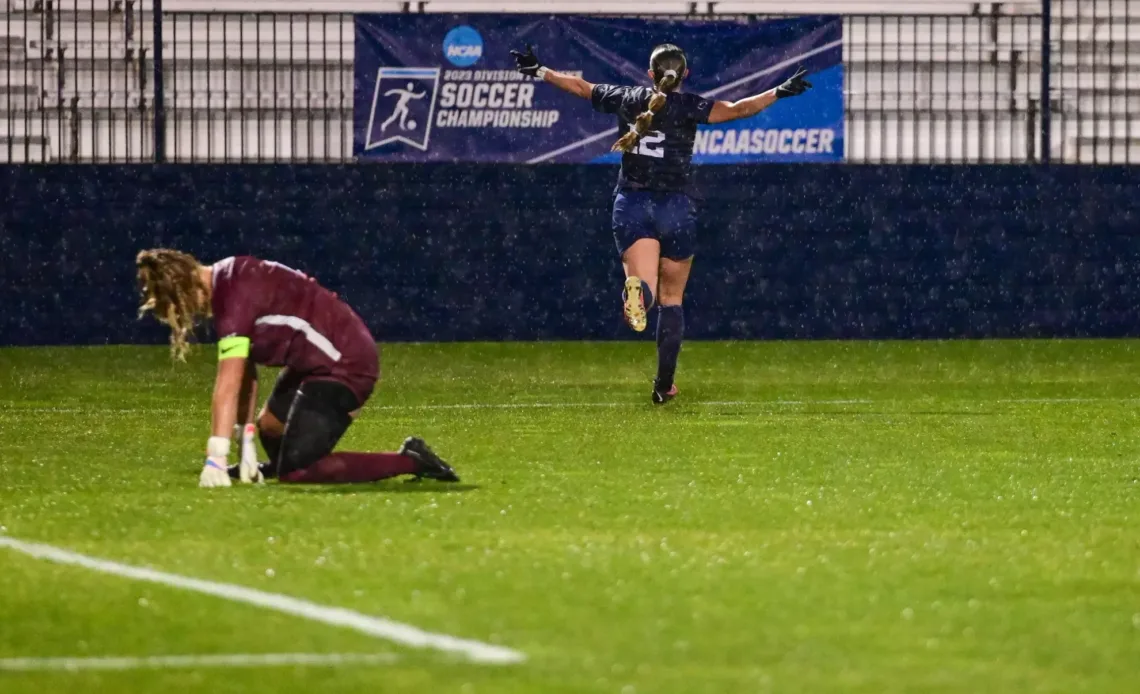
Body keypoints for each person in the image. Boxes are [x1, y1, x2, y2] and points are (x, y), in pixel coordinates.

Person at [511, 43, 811, 404]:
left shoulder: (627, 98)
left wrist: (539, 70)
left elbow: (580, 87)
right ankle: (664, 385)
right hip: (676, 209)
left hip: (632, 206)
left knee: (648, 287)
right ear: (684, 75)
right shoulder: (689, 106)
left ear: (650, 74)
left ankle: (637, 291)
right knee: (673, 300)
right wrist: (778, 90)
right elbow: (738, 109)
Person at [135, 249, 460, 488]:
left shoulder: (233, 299)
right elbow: (246, 373)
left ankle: (411, 459)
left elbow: (228, 382)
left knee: (299, 471)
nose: (187, 315)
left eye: (179, 307)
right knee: (271, 428)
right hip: (316, 363)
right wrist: (245, 440)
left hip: (346, 364)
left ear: (187, 288)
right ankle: (280, 463)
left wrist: (216, 456)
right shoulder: (228, 279)